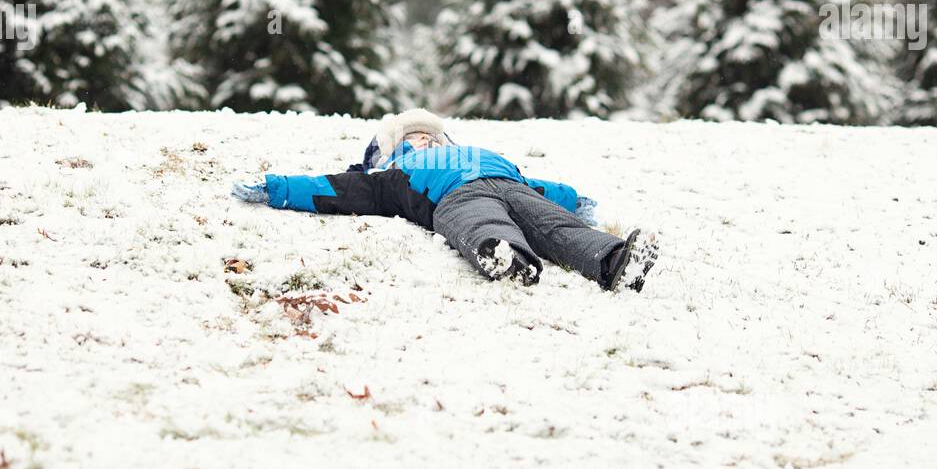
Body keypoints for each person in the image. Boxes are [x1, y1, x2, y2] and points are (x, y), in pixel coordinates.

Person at [231, 109, 659, 292]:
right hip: (453, 197)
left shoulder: (474, 152)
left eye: (432, 135)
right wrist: (277, 187)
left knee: (557, 226)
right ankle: (506, 258)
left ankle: (613, 260)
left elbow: (539, 187)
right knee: (481, 223)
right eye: (414, 136)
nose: (426, 139)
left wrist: (572, 199)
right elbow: (334, 189)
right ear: (390, 150)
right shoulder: (387, 176)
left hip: (510, 183)